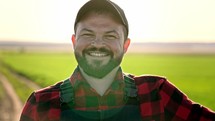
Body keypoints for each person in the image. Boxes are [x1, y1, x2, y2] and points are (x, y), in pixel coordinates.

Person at [20, 0, 215, 121]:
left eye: (110, 36)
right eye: (88, 34)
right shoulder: (41, 104)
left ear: (126, 45)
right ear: (74, 41)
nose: (98, 44)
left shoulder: (156, 94)